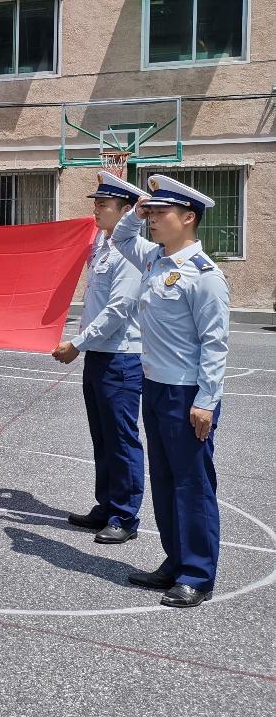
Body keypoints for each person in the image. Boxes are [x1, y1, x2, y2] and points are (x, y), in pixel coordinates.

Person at [111, 174, 230, 609]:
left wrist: (206, 401)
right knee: (163, 480)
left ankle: (197, 574)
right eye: (151, 212)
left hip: (186, 394)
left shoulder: (205, 276)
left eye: (161, 213)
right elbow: (121, 239)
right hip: (155, 386)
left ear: (188, 218)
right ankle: (174, 561)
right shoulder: (155, 261)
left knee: (191, 485)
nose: (153, 220)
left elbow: (215, 343)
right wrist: (137, 208)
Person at [51, 171, 147, 544]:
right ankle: (106, 505)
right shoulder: (102, 246)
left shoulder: (129, 253)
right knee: (102, 436)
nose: (95, 209)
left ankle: (125, 515)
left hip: (121, 357)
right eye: (95, 203)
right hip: (101, 357)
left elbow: (119, 309)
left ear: (125, 211)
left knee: (121, 439)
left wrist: (78, 342)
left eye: (103, 205)